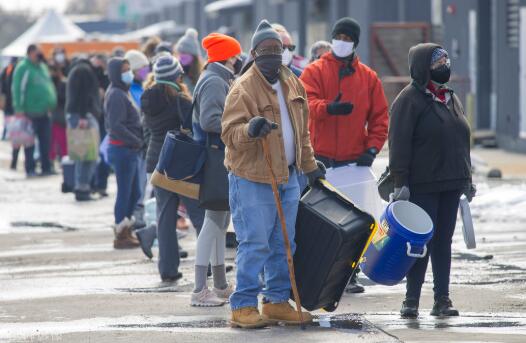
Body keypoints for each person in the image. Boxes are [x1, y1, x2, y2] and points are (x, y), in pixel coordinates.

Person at [222, 20, 325, 329]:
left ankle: (277, 301)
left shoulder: (293, 83)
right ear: (254, 53)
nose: (271, 55)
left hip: (288, 176)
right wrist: (250, 128)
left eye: (276, 50)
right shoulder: (243, 88)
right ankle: (243, 305)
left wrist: (309, 166)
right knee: (255, 242)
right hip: (253, 177)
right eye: (265, 51)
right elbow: (228, 133)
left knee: (285, 243)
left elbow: (302, 133)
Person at [300, 18, 389, 293]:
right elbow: (305, 103)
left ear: (355, 43)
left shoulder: (368, 78)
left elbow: (380, 118)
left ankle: (349, 275)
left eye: (347, 38)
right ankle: (317, 272)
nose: (342, 41)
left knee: (356, 223)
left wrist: (372, 148)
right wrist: (329, 108)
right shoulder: (314, 71)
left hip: (354, 164)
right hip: (321, 161)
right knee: (319, 223)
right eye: (338, 36)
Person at [389, 44, 476, 319]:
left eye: (446, 61)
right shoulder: (409, 100)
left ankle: (442, 299)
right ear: (422, 67)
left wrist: (467, 178)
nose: (444, 66)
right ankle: (411, 299)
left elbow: (461, 140)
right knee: (420, 244)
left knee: (443, 243)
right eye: (438, 62)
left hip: (451, 182)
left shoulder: (450, 97)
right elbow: (398, 144)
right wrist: (399, 182)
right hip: (422, 185)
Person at [138, 55, 205, 282]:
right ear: (177, 75)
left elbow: (147, 132)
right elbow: (195, 131)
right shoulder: (181, 100)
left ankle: (167, 269)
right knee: (199, 215)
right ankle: (206, 265)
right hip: (180, 163)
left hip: (156, 163)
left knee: (165, 217)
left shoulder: (147, 98)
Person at [190, 33, 243, 307]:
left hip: (218, 158)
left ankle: (220, 284)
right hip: (216, 159)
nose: (238, 60)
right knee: (212, 223)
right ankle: (200, 289)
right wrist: (238, 126)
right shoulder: (214, 81)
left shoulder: (214, 77)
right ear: (227, 56)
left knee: (220, 222)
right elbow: (211, 121)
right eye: (235, 55)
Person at [104, 57, 143, 249]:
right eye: (124, 70)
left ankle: (126, 228)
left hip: (129, 150)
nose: (129, 73)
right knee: (125, 193)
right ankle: (121, 233)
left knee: (134, 193)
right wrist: (137, 141)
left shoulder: (122, 91)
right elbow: (116, 126)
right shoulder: (117, 95)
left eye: (129, 69)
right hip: (123, 150)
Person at [11, 44, 57, 177]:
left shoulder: (42, 67)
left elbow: (48, 85)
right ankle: (30, 168)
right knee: (29, 142)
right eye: (38, 53)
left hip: (45, 111)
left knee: (45, 141)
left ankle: (46, 167)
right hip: (29, 111)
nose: (40, 55)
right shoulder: (23, 67)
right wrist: (18, 107)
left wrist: (51, 102)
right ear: (30, 53)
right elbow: (18, 88)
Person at [66, 59, 101, 201]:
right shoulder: (84, 71)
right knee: (87, 154)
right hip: (84, 116)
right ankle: (83, 187)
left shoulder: (75, 70)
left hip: (77, 115)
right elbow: (84, 94)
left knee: (81, 153)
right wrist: (83, 116)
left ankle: (81, 185)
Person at [124, 49, 151, 229]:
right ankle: (135, 217)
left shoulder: (141, 87)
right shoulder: (130, 91)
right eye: (143, 68)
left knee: (142, 182)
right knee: (136, 183)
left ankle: (138, 216)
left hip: (142, 143)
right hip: (135, 144)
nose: (146, 72)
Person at [1, 57, 19, 169]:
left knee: (16, 135)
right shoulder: (10, 70)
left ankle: (14, 162)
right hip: (13, 107)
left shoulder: (9, 70)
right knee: (17, 134)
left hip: (13, 106)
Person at [49, 64, 68, 165]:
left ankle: (65, 162)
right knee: (52, 142)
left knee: (62, 142)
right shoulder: (50, 83)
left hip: (61, 118)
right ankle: (52, 162)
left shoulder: (64, 83)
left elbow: (63, 99)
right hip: (55, 117)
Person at [175, 28, 203, 95]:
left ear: (194, 56)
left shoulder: (201, 75)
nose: (182, 56)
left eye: (185, 53)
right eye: (180, 53)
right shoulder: (175, 73)